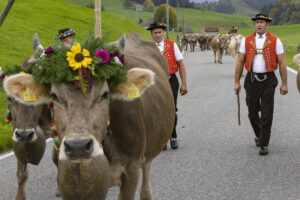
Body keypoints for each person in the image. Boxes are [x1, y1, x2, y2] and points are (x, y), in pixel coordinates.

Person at [234, 14, 288, 155]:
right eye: (257, 22)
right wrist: (236, 82)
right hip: (251, 80)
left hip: (269, 80)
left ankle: (264, 144)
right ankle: (259, 135)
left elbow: (282, 63)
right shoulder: (246, 40)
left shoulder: (275, 41)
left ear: (267, 25)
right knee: (252, 113)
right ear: (254, 24)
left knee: (266, 113)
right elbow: (240, 62)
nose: (259, 25)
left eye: (262, 22)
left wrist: (284, 84)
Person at [146, 22, 188, 150]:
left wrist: (184, 83)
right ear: (151, 34)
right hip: (155, 82)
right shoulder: (148, 47)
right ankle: (162, 138)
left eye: (160, 32)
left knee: (171, 109)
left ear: (163, 33)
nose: (158, 35)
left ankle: (173, 135)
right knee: (157, 111)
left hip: (171, 80)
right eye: (155, 33)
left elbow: (181, 64)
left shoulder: (172, 45)